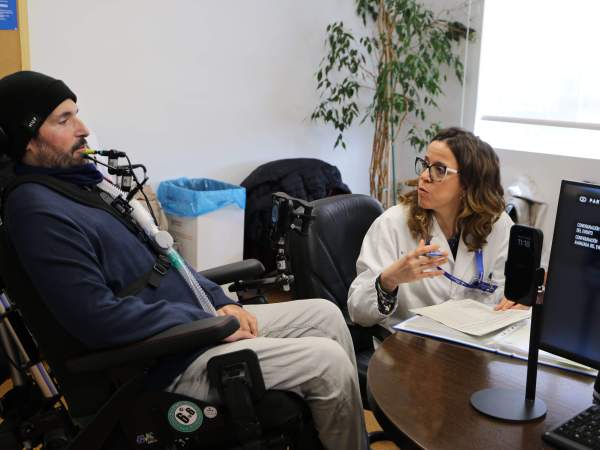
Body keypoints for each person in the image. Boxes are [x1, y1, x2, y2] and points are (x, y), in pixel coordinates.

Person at [0, 70, 367, 450]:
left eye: (76, 113)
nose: (83, 128)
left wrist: (221, 301)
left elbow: (168, 260)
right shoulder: (36, 211)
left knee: (324, 314)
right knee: (328, 362)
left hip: (191, 324)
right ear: (25, 141)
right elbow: (95, 319)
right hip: (161, 362)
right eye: (64, 120)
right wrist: (207, 321)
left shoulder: (80, 186)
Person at [348, 127, 520, 331]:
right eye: (425, 164)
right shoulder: (392, 224)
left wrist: (520, 299)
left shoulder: (498, 225)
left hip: (475, 346)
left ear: (468, 183)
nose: (424, 176)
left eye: (439, 169)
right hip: (409, 348)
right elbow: (357, 311)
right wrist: (388, 280)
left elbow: (508, 294)